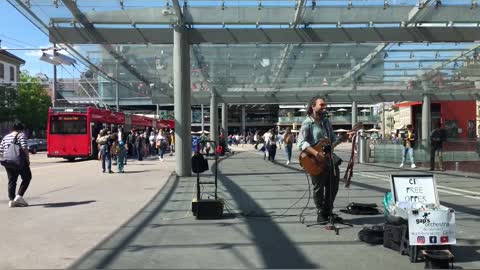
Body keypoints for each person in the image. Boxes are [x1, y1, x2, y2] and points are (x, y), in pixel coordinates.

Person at [297, 96, 350, 223]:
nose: (324, 107)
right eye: (321, 105)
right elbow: (301, 143)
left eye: (324, 105)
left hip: (330, 159)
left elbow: (331, 139)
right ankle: (320, 212)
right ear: (313, 107)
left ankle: (328, 211)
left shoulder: (326, 122)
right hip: (315, 161)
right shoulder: (307, 123)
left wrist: (343, 138)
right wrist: (315, 153)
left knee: (333, 186)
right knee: (318, 188)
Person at [0, 122, 32, 207]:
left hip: (8, 162)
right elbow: (24, 147)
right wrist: (27, 159)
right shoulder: (21, 135)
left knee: (12, 181)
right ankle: (18, 196)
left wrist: (4, 159)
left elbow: (1, 150)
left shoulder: (5, 137)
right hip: (20, 161)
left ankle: (11, 200)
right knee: (27, 177)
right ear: (21, 129)